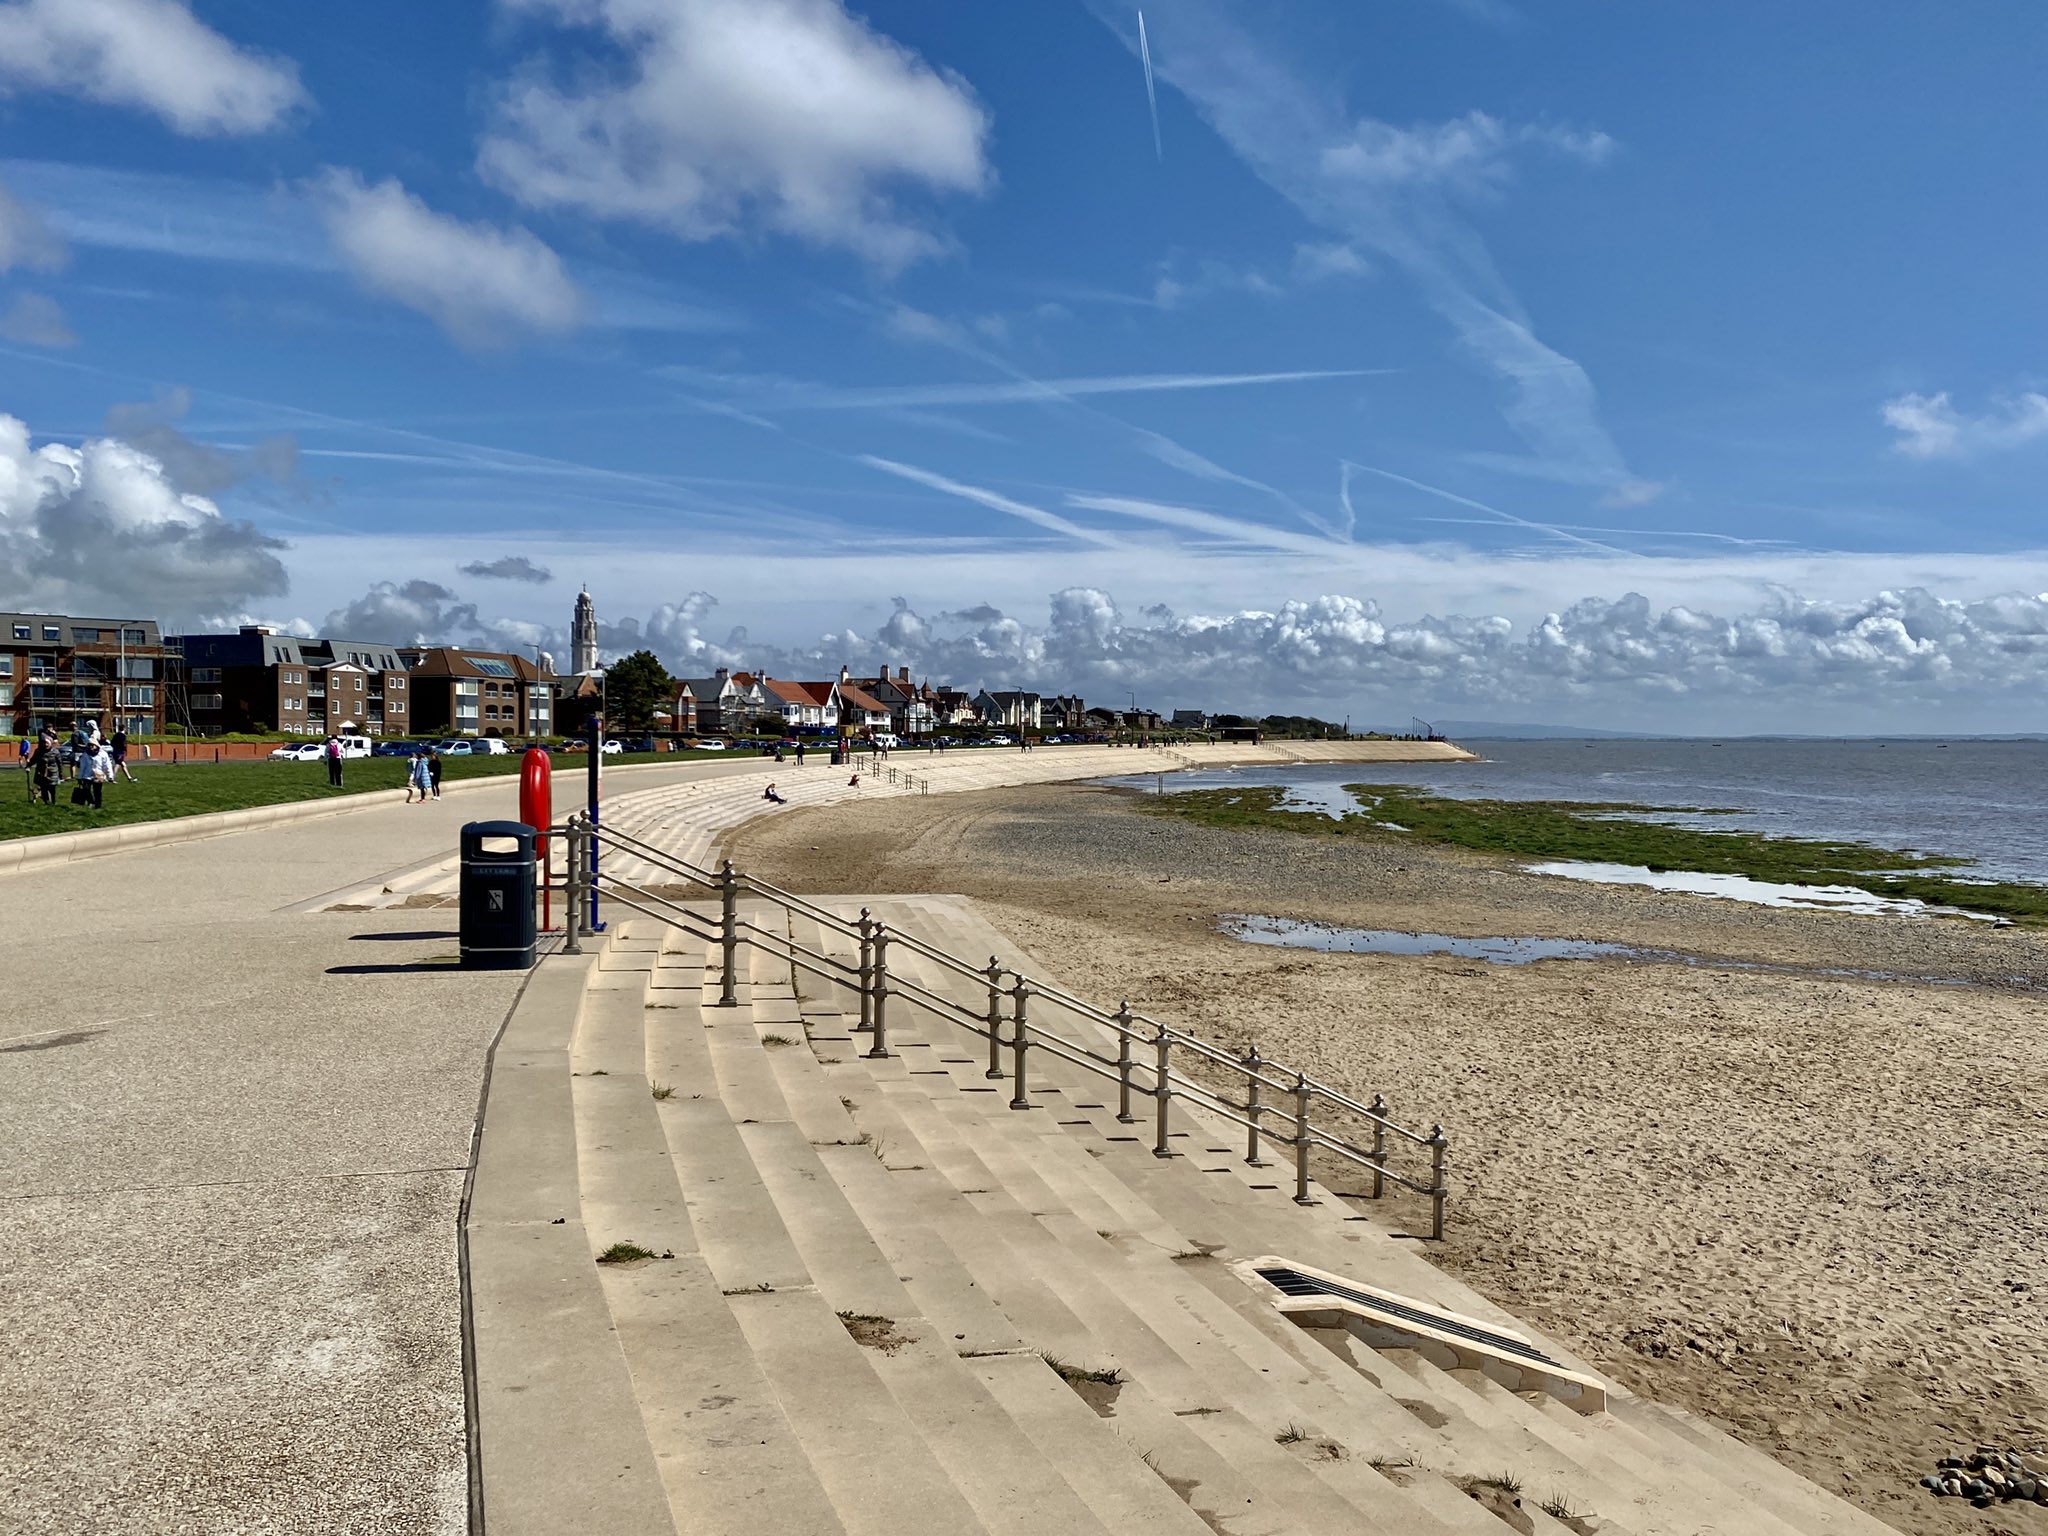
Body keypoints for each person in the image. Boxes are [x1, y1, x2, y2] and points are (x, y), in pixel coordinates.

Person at [79, 735, 111, 809]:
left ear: (96, 745)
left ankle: (98, 806)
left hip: (98, 775)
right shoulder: (85, 754)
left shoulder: (102, 754)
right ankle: (91, 801)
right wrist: (80, 777)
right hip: (87, 774)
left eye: (92, 745)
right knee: (86, 788)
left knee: (97, 791)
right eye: (89, 745)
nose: (91, 747)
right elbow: (82, 765)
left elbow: (107, 765)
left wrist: (110, 775)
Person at [28, 729, 59, 805]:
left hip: (52, 772)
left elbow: (59, 763)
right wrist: (28, 766)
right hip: (41, 771)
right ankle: (46, 801)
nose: (45, 744)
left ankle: (53, 801)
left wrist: (60, 774)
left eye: (46, 743)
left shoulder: (55, 751)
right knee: (43, 787)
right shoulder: (39, 751)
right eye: (43, 742)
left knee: (51, 788)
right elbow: (33, 759)